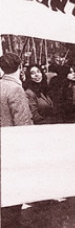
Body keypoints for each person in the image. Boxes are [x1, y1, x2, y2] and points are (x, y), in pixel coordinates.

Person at [0, 53, 33, 228]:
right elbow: (22, 123)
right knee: (14, 192)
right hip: (13, 147)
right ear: (20, 68)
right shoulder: (15, 89)